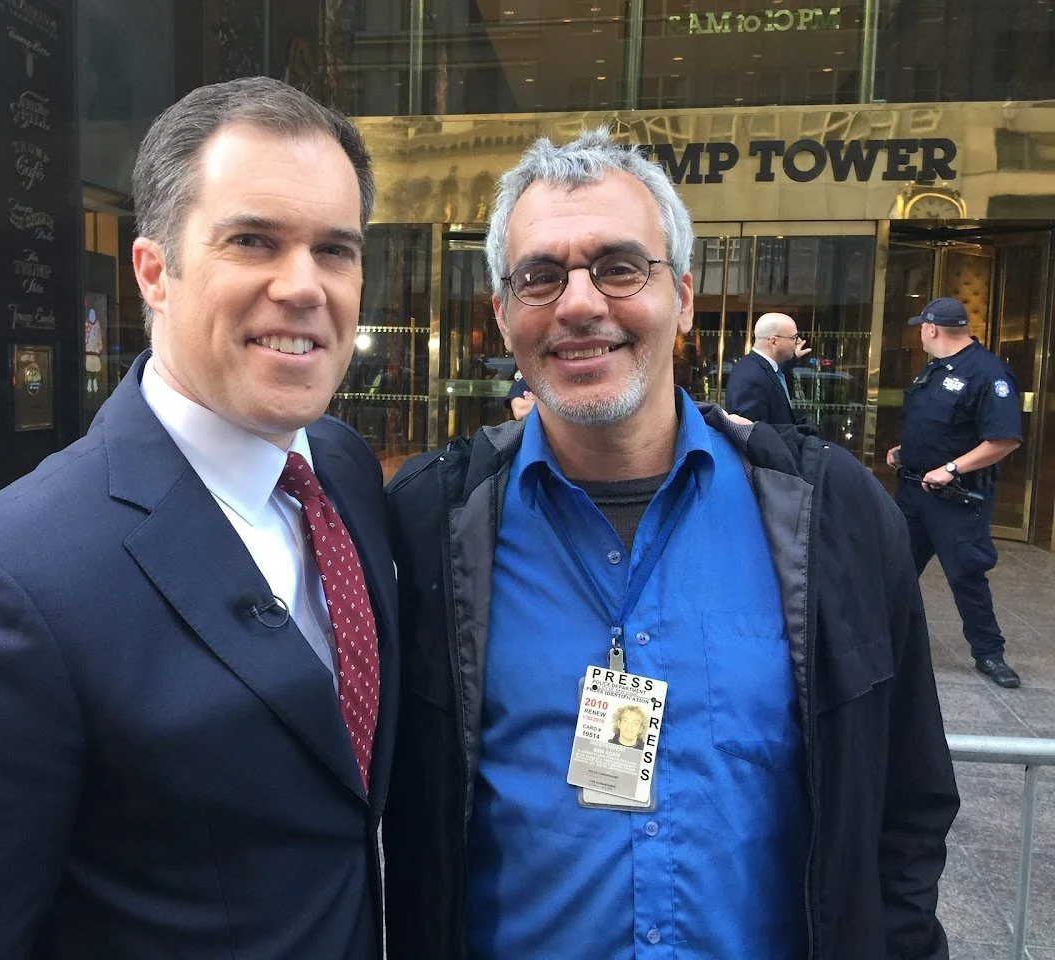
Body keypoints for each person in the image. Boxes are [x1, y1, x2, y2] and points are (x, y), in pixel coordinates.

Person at [0, 77, 398, 959]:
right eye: (253, 240)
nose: (303, 287)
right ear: (154, 272)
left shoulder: (344, 472)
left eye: (335, 250)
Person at [383, 129, 957, 960]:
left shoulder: (833, 513)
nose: (579, 303)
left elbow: (908, 802)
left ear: (684, 298)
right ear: (505, 315)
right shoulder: (427, 523)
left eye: (619, 267)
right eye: (540, 275)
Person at [886, 296, 1023, 688]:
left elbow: (1004, 439)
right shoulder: (934, 369)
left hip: (956, 499)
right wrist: (904, 452)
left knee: (967, 574)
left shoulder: (987, 373)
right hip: (914, 492)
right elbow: (937, 426)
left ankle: (989, 654)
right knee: (895, 568)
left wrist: (950, 469)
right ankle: (884, 643)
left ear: (931, 330)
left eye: (921, 329)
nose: (920, 335)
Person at [723, 312, 812, 425]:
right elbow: (756, 435)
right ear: (773, 342)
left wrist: (793, 357)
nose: (798, 342)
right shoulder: (750, 379)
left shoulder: (760, 366)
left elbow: (775, 374)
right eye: (794, 338)